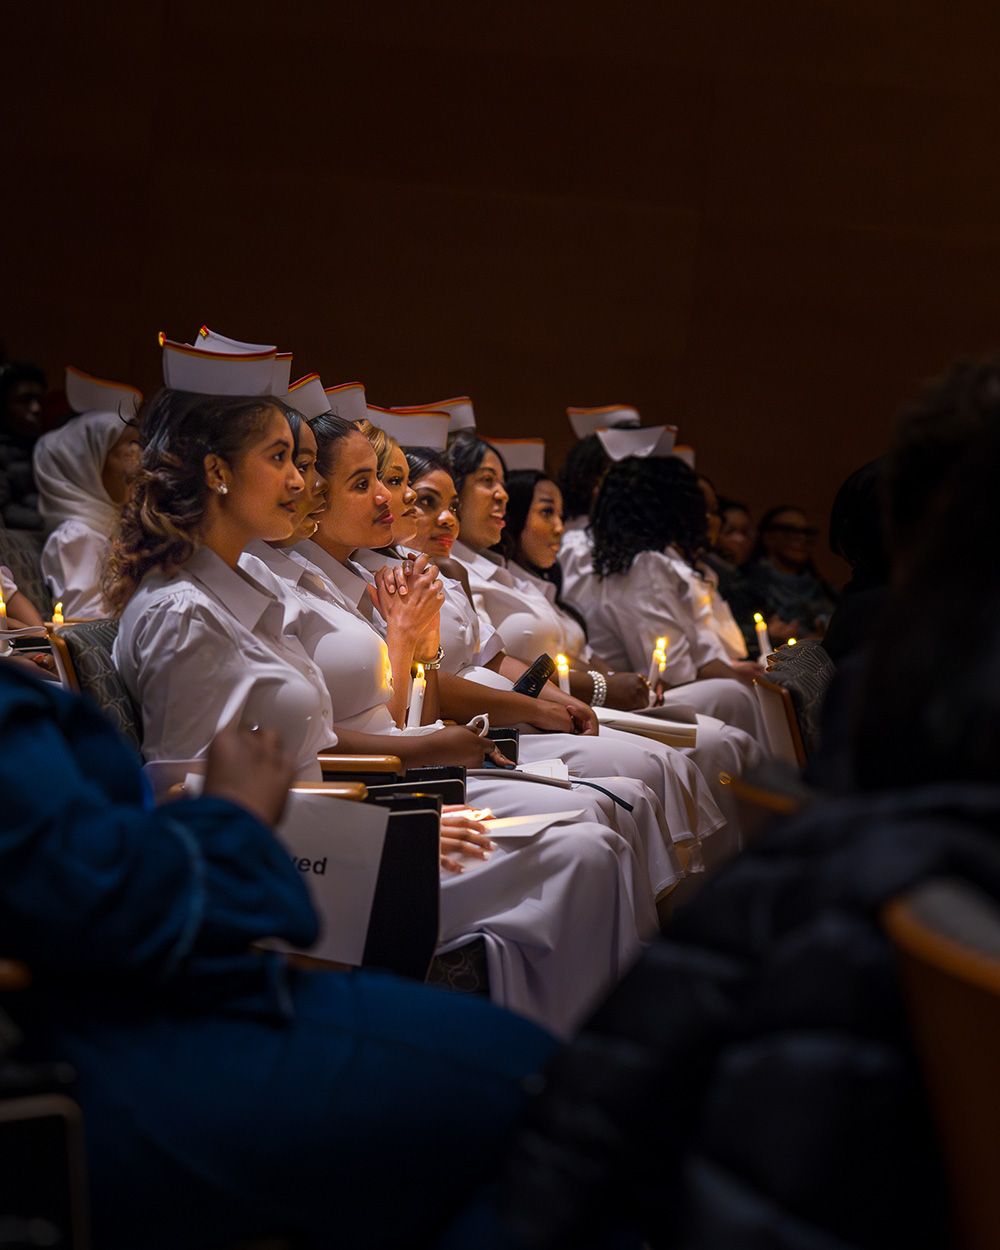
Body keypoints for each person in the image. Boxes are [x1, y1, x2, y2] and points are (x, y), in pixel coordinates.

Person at [0, 660, 559, 1250]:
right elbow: (87, 894)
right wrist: (233, 813)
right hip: (100, 1041)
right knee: (541, 1093)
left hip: (148, 984)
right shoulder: (180, 612)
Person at [241, 412, 658, 1034]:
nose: (393, 498)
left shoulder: (330, 578)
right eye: (366, 482)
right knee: (591, 840)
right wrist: (418, 738)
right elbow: (228, 769)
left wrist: (419, 668)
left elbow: (403, 704)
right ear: (217, 475)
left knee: (615, 811)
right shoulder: (259, 589)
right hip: (362, 797)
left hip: (396, 773)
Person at [34, 408, 141, 618]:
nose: (137, 466)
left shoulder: (109, 528)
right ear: (87, 466)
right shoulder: (76, 536)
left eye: (139, 451)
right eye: (129, 453)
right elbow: (85, 626)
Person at [740, 504, 838, 642]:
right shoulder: (744, 585)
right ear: (767, 537)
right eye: (790, 530)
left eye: (806, 532)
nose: (801, 538)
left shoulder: (826, 591)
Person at [0, 359, 46, 529]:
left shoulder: (47, 445)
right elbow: (4, 511)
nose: (36, 408)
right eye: (25, 400)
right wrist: (53, 523)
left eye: (39, 400)